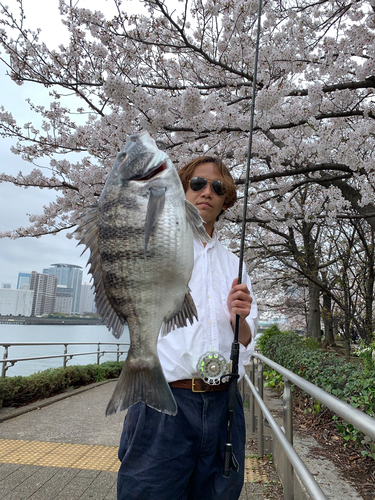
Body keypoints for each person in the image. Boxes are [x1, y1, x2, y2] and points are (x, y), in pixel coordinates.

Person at [117, 156, 258, 500]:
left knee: (220, 493)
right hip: (162, 401)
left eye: (217, 187)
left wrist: (238, 319)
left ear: (227, 200)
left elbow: (248, 338)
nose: (206, 191)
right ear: (181, 190)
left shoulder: (235, 264)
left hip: (224, 403)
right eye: (197, 183)